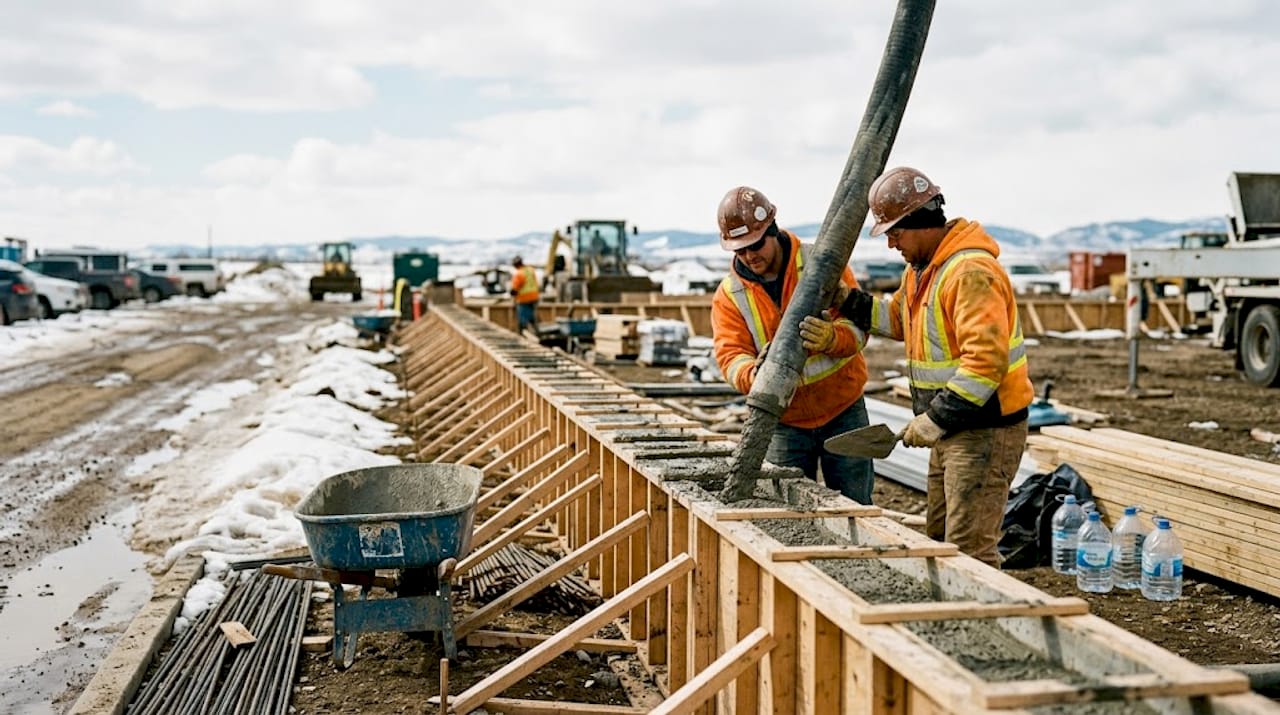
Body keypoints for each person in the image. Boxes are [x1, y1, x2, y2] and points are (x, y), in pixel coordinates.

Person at [831, 166, 1033, 567]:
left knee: (968, 551)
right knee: (941, 539)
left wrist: (934, 420)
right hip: (955, 429)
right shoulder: (924, 270)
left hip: (983, 431)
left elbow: (984, 365)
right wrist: (846, 299)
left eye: (894, 233)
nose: (891, 245)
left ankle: (979, 624)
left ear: (919, 223)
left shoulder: (970, 272)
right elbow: (900, 320)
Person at [711, 186, 875, 503]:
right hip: (784, 422)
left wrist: (831, 338)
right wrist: (751, 375)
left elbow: (858, 327)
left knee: (855, 507)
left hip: (842, 408)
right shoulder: (730, 295)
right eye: (739, 250)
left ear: (772, 230)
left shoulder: (822, 263)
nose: (749, 255)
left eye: (756, 245)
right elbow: (730, 356)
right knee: (788, 512)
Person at [509, 255, 539, 335]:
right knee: (531, 317)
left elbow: (515, 288)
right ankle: (535, 332)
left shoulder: (519, 274)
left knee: (523, 319)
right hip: (534, 297)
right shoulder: (530, 270)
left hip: (524, 299)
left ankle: (524, 334)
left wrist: (512, 292)